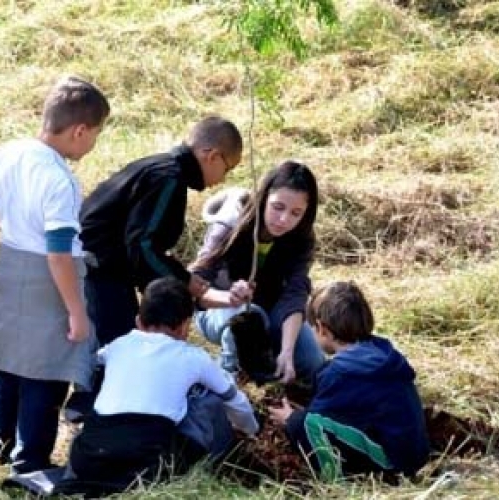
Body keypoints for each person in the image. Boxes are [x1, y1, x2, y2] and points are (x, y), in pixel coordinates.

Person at [0, 76, 110, 475]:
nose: (92, 143)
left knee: (10, 359)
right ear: (80, 130)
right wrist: (76, 312)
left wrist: (16, 232)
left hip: (10, 264)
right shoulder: (60, 180)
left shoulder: (7, 152)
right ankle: (31, 459)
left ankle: (1, 444)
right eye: (94, 135)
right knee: (48, 369)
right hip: (49, 279)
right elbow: (59, 254)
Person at [65, 117, 243, 420]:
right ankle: (97, 421)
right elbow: (143, 246)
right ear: (211, 155)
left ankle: (95, 415)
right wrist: (186, 283)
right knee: (122, 350)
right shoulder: (169, 178)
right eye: (227, 168)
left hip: (94, 266)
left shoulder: (159, 166)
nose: (222, 179)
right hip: (99, 271)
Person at [64, 277, 258, 495]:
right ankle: (226, 464)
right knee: (207, 398)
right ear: (186, 325)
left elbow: (90, 364)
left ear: (138, 321)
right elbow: (234, 399)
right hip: (151, 467)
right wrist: (251, 430)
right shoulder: (194, 357)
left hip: (90, 460)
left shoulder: (117, 346)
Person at [268, 281, 430, 481]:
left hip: (393, 465)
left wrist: (291, 420)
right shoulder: (384, 352)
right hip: (415, 454)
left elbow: (319, 420)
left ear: (322, 328)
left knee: (308, 423)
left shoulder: (338, 373)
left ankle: (332, 480)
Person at [191, 161, 325, 384]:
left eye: (296, 213)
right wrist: (228, 297)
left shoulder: (301, 238)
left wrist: (287, 351)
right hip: (219, 310)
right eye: (278, 207)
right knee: (250, 316)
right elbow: (195, 283)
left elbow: (295, 293)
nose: (284, 220)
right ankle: (226, 380)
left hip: (273, 312)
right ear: (263, 199)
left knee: (311, 362)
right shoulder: (230, 226)